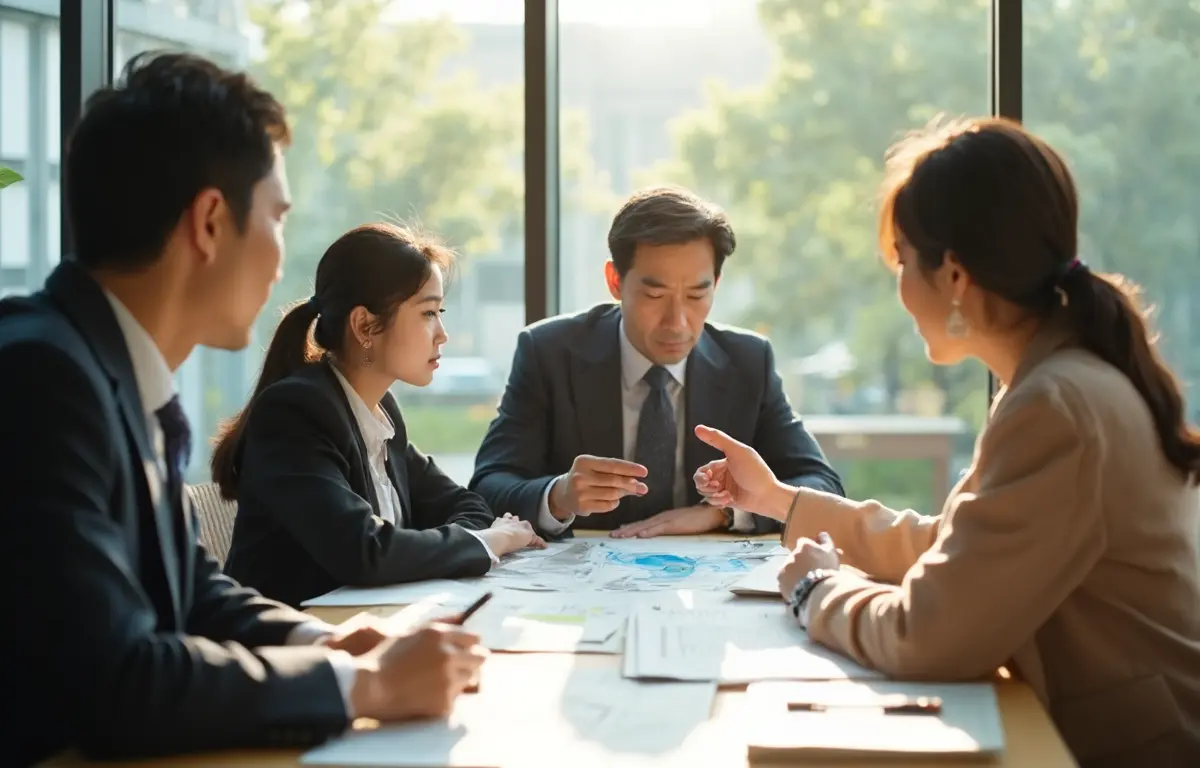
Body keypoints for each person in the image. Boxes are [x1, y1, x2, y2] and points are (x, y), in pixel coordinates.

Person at [0, 53, 486, 765]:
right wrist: (367, 686)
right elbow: (112, 682)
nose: (282, 261)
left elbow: (190, 591)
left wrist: (325, 641)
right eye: (277, 218)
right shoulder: (42, 380)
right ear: (209, 222)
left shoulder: (104, 371)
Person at [692, 117, 1200, 767]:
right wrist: (781, 501)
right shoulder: (1058, 381)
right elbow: (956, 549)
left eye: (904, 261)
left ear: (955, 275)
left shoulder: (1058, 405)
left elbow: (927, 636)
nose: (900, 286)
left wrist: (814, 592)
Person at [470, 186, 843, 539]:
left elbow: (823, 487)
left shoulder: (748, 361)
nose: (677, 322)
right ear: (615, 281)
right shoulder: (548, 353)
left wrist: (726, 512)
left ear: (715, 282)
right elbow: (487, 487)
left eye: (696, 295)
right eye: (654, 294)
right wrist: (558, 495)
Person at [215, 223, 544, 608]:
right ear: (365, 325)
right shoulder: (295, 412)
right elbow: (365, 551)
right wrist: (490, 540)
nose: (443, 334)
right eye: (428, 313)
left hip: (370, 624)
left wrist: (447, 543)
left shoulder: (380, 412)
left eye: (440, 312)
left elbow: (468, 506)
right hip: (293, 636)